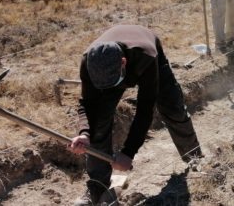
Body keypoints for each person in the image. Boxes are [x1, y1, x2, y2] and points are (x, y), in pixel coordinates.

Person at [69, 25, 202, 205]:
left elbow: (145, 109)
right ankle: (97, 188)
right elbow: (87, 104)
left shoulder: (145, 57)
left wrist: (128, 153)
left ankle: (193, 156)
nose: (108, 88)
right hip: (111, 72)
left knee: (172, 107)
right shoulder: (89, 63)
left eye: (111, 83)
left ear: (123, 63)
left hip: (148, 58)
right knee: (98, 122)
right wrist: (84, 133)